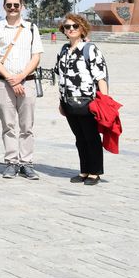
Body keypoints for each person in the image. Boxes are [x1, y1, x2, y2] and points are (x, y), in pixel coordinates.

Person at [0, 0, 43, 180]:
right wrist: (11, 78)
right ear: (4, 7)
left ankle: (26, 163)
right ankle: (11, 162)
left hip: (28, 82)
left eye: (16, 5)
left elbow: (36, 56)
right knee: (8, 125)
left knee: (27, 126)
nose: (12, 8)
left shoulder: (31, 28)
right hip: (4, 83)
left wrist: (21, 77)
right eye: (9, 5)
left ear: (22, 7)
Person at [55, 13, 110, 186]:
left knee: (91, 137)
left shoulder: (90, 49)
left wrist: (105, 101)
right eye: (67, 27)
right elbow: (61, 78)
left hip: (87, 101)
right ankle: (84, 170)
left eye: (75, 26)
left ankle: (95, 172)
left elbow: (100, 76)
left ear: (82, 29)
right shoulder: (64, 50)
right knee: (79, 137)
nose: (71, 29)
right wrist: (61, 101)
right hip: (69, 102)